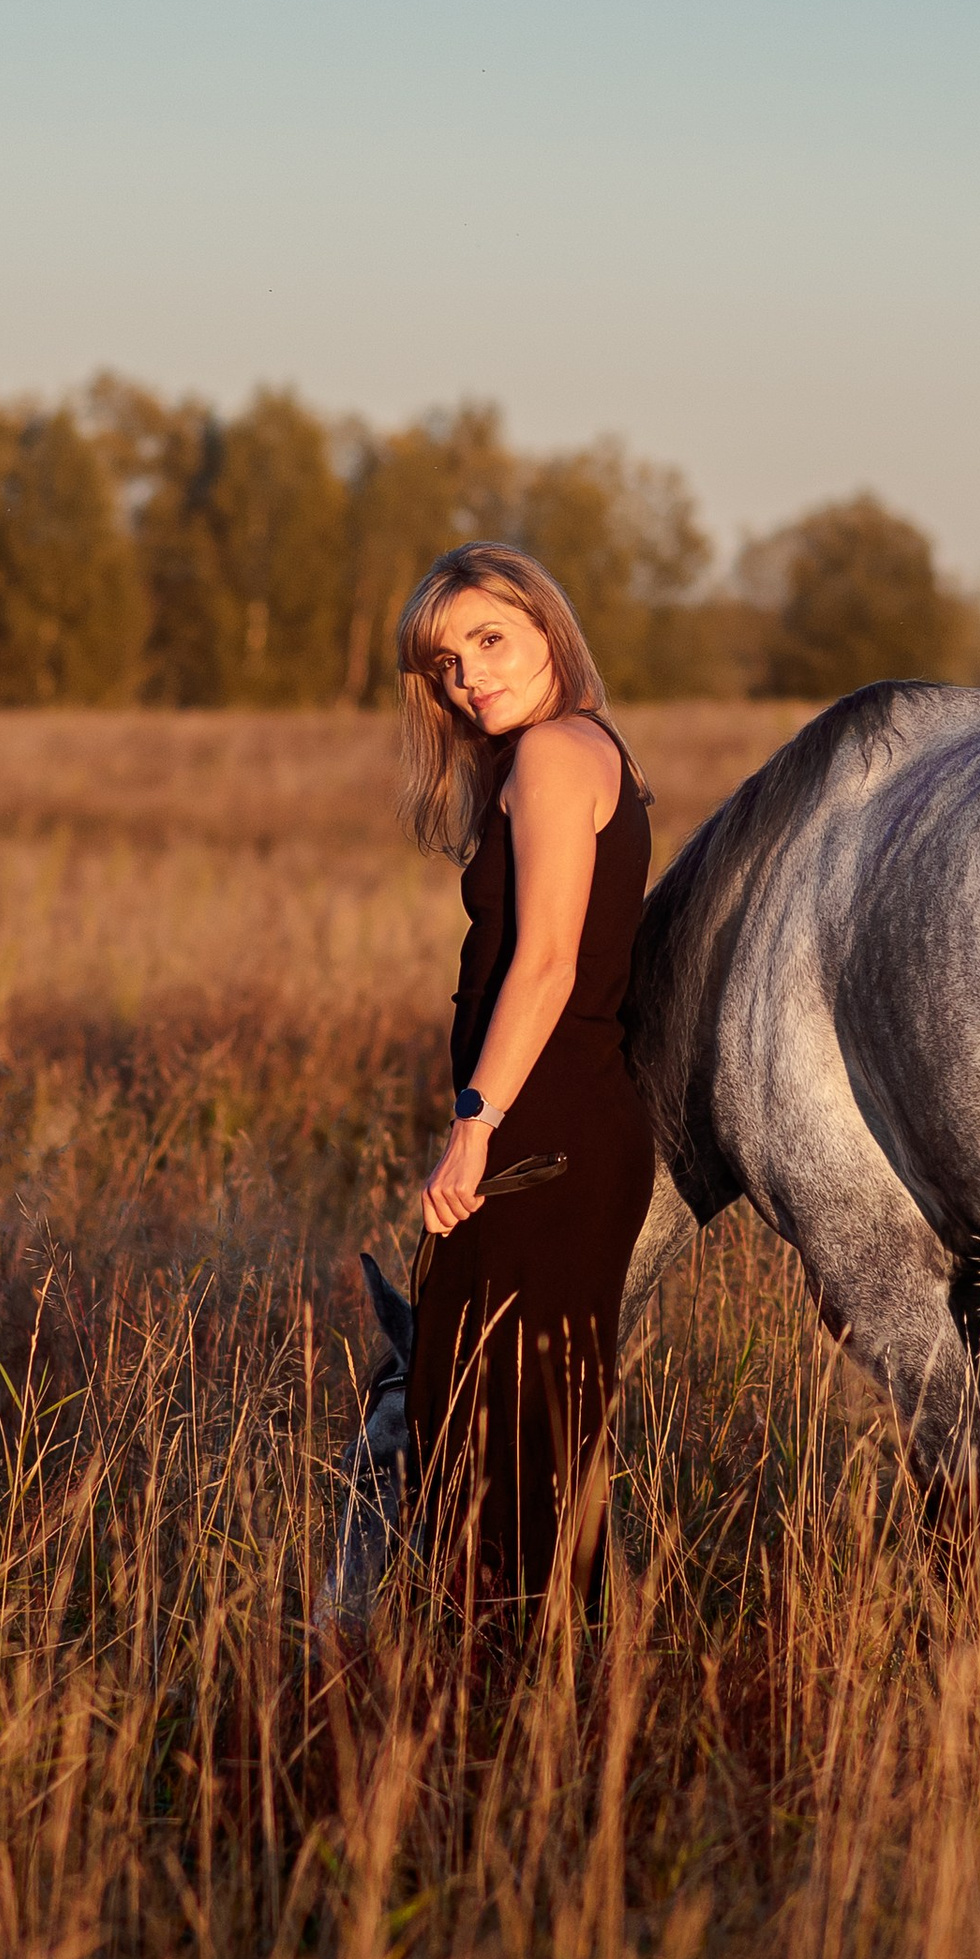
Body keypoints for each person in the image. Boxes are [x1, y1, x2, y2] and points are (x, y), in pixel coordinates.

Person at [394, 542, 656, 1609]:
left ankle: (511, 1684)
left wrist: (474, 1123)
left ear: (548, 629)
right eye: (447, 662)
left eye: (490, 640)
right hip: (564, 1124)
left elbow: (547, 963)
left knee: (493, 1425)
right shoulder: (590, 749)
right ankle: (541, 1679)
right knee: (520, 1419)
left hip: (544, 1132)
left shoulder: (552, 754)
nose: (469, 677)